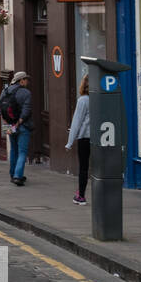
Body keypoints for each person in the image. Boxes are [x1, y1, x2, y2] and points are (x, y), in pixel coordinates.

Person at [0, 71, 33, 185]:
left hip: (10, 126)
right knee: (22, 152)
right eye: (26, 79)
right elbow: (26, 110)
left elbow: (1, 109)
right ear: (21, 80)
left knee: (13, 150)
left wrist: (9, 123)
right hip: (22, 126)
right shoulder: (26, 93)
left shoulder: (4, 92)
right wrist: (19, 122)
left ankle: (12, 174)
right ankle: (18, 176)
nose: (27, 81)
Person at [65, 75, 91, 204]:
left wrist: (69, 142)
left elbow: (77, 122)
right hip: (101, 138)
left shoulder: (83, 100)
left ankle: (81, 196)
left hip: (85, 138)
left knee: (84, 168)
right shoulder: (101, 99)